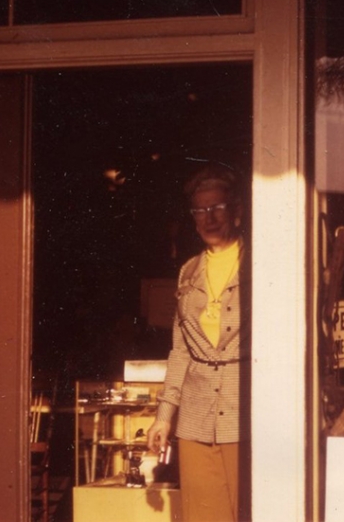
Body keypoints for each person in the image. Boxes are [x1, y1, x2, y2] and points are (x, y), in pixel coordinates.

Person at [147, 163, 247, 522]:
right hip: (194, 421)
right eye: (200, 210)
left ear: (236, 212)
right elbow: (181, 350)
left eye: (217, 207)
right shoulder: (187, 271)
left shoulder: (258, 265)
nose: (209, 217)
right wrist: (163, 419)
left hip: (243, 417)